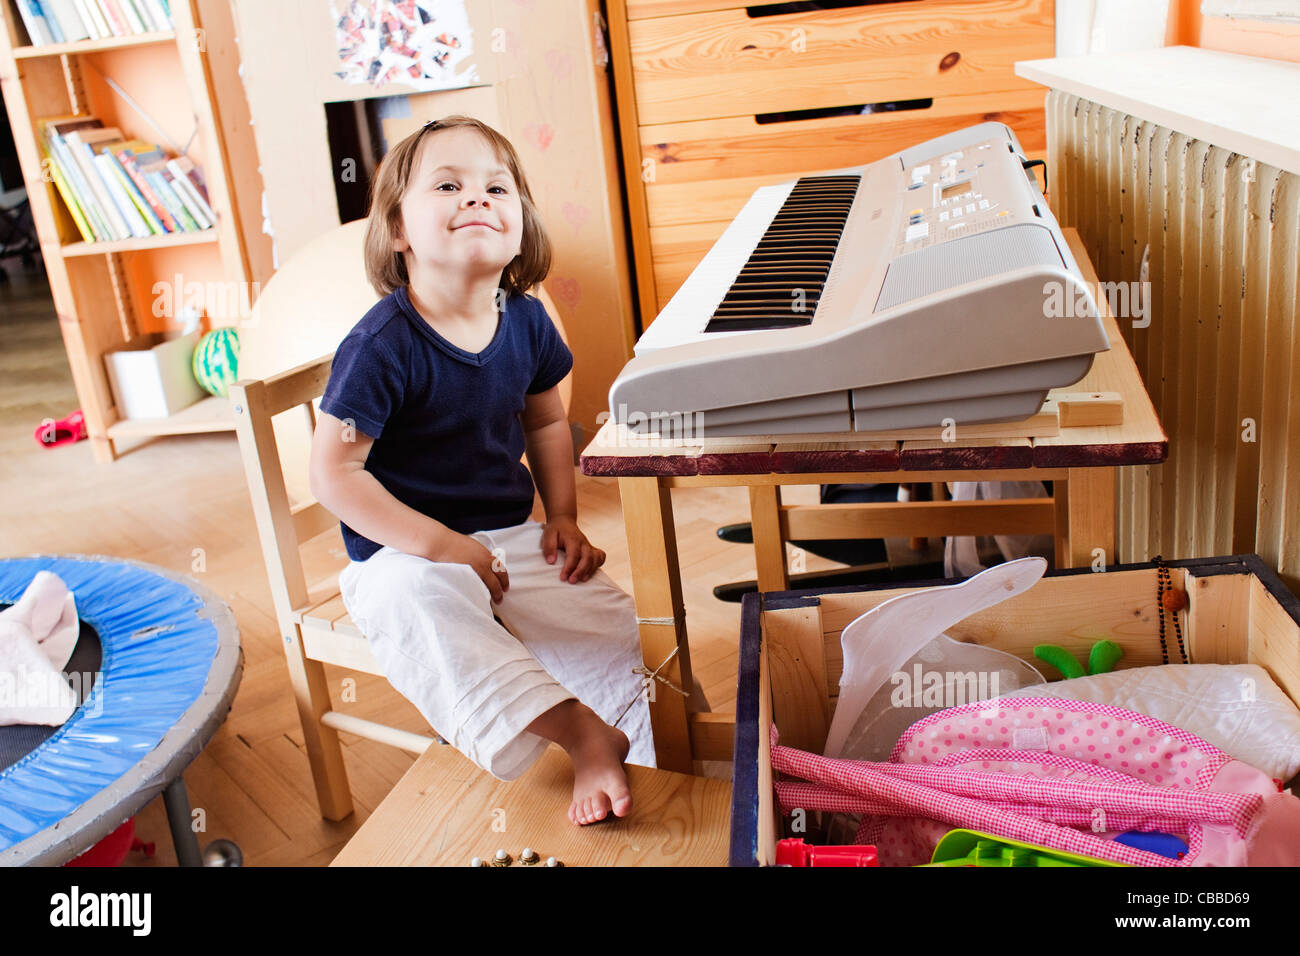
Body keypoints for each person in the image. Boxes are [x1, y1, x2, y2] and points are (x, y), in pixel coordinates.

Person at [309, 115, 653, 825]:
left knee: (604, 613)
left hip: (506, 535)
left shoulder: (524, 320)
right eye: (448, 185)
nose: (477, 198)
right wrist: (444, 548)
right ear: (399, 231)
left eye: (497, 186)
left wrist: (562, 517)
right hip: (403, 553)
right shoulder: (380, 346)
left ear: (521, 223)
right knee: (420, 604)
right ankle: (581, 734)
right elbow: (335, 475)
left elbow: (548, 420)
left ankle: (636, 744)